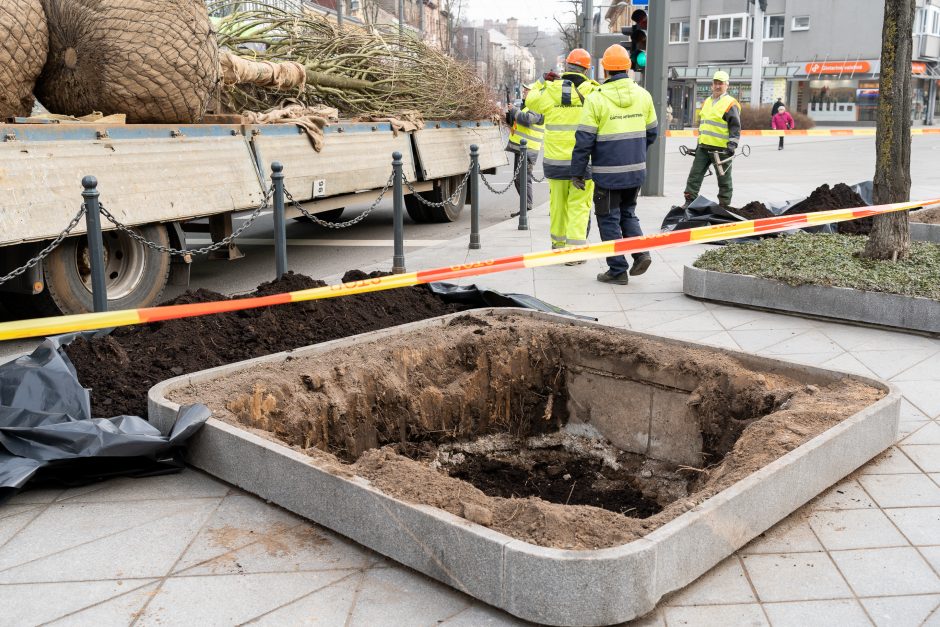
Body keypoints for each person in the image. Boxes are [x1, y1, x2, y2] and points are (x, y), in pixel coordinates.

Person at [571, 44, 658, 285]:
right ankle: (641, 253)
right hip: (635, 171)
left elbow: (584, 140)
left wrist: (577, 172)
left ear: (605, 70)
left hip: (608, 175)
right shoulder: (644, 95)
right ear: (629, 69)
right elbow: (652, 133)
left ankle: (617, 269)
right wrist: (634, 153)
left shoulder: (596, 98)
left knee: (608, 218)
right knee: (628, 212)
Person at [520, 49, 600, 260]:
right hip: (582, 163)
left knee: (557, 205)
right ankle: (574, 253)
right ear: (587, 69)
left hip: (555, 162)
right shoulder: (592, 92)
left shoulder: (549, 91)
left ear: (566, 67)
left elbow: (529, 100)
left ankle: (558, 246)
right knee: (579, 206)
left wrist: (542, 81)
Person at [682, 70, 741, 208]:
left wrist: (732, 144)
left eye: (721, 83)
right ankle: (689, 201)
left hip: (721, 150)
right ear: (712, 85)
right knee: (694, 176)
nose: (718, 86)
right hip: (703, 147)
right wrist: (697, 146)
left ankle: (724, 205)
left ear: (727, 85)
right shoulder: (707, 102)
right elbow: (704, 126)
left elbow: (735, 127)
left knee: (724, 179)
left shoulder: (730, 103)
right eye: (715, 83)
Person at [505, 79, 547, 215]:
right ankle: (525, 207)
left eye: (526, 90)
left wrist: (514, 110)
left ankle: (527, 207)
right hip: (521, 148)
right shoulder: (528, 105)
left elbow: (528, 120)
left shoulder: (537, 106)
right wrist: (509, 114)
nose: (524, 92)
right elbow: (518, 123)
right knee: (519, 179)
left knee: (523, 179)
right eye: (524, 90)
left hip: (528, 150)